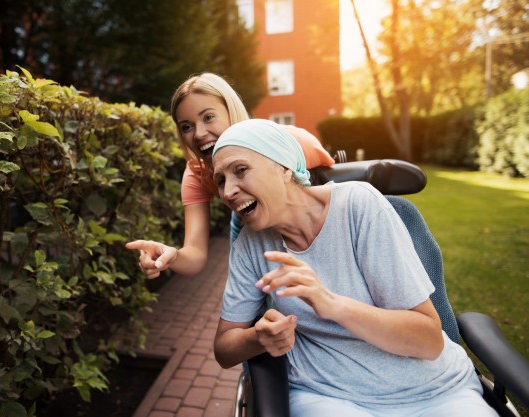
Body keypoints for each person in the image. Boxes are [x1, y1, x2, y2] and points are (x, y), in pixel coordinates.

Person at [212, 119, 497, 417]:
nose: (228, 191)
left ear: (284, 167)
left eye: (240, 170)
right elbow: (224, 348)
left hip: (437, 393)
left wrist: (332, 304)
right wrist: (257, 338)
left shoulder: (359, 207)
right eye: (220, 180)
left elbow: (428, 341)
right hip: (330, 398)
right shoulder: (250, 245)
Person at [126, 73, 334, 278]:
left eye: (208, 117)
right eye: (187, 127)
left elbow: (332, 183)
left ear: (230, 110)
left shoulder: (283, 142)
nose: (198, 134)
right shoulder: (196, 174)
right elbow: (195, 254)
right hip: (251, 226)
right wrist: (171, 257)